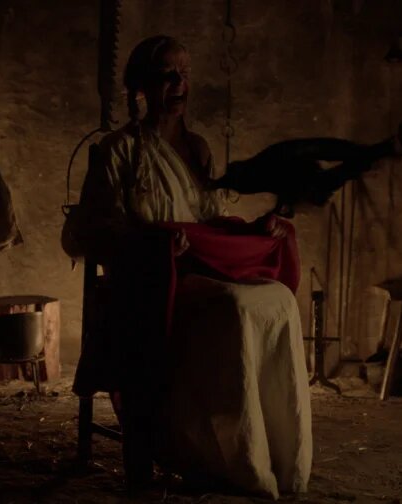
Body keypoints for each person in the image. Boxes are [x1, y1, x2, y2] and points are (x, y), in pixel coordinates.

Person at [63, 35, 311, 499]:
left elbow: (211, 220)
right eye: (168, 75)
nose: (179, 84)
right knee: (235, 306)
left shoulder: (197, 149)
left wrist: (257, 230)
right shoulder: (118, 150)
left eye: (185, 74)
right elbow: (93, 231)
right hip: (147, 280)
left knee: (277, 298)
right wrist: (153, 243)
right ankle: (220, 454)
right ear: (141, 86)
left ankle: (273, 453)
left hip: (199, 268)